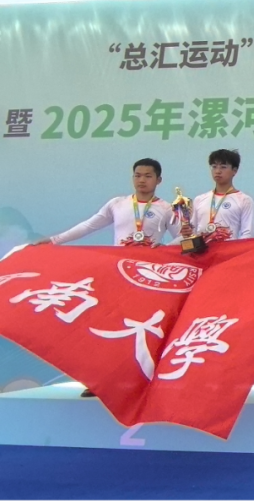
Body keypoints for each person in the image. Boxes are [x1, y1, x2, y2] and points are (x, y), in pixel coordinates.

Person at [35, 158, 179, 398]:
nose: (142, 180)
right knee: (107, 327)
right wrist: (54, 240)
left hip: (147, 279)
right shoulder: (118, 204)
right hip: (117, 275)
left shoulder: (166, 208)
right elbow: (89, 226)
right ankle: (99, 381)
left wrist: (162, 249)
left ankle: (143, 382)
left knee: (142, 331)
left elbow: (183, 237)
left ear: (159, 180)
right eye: (137, 175)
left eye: (148, 176)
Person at [168, 149, 254, 244]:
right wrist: (186, 233)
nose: (217, 171)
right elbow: (193, 232)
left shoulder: (244, 200)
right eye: (214, 167)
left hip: (228, 251)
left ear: (234, 171)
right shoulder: (200, 199)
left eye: (223, 167)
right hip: (201, 251)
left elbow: (247, 234)